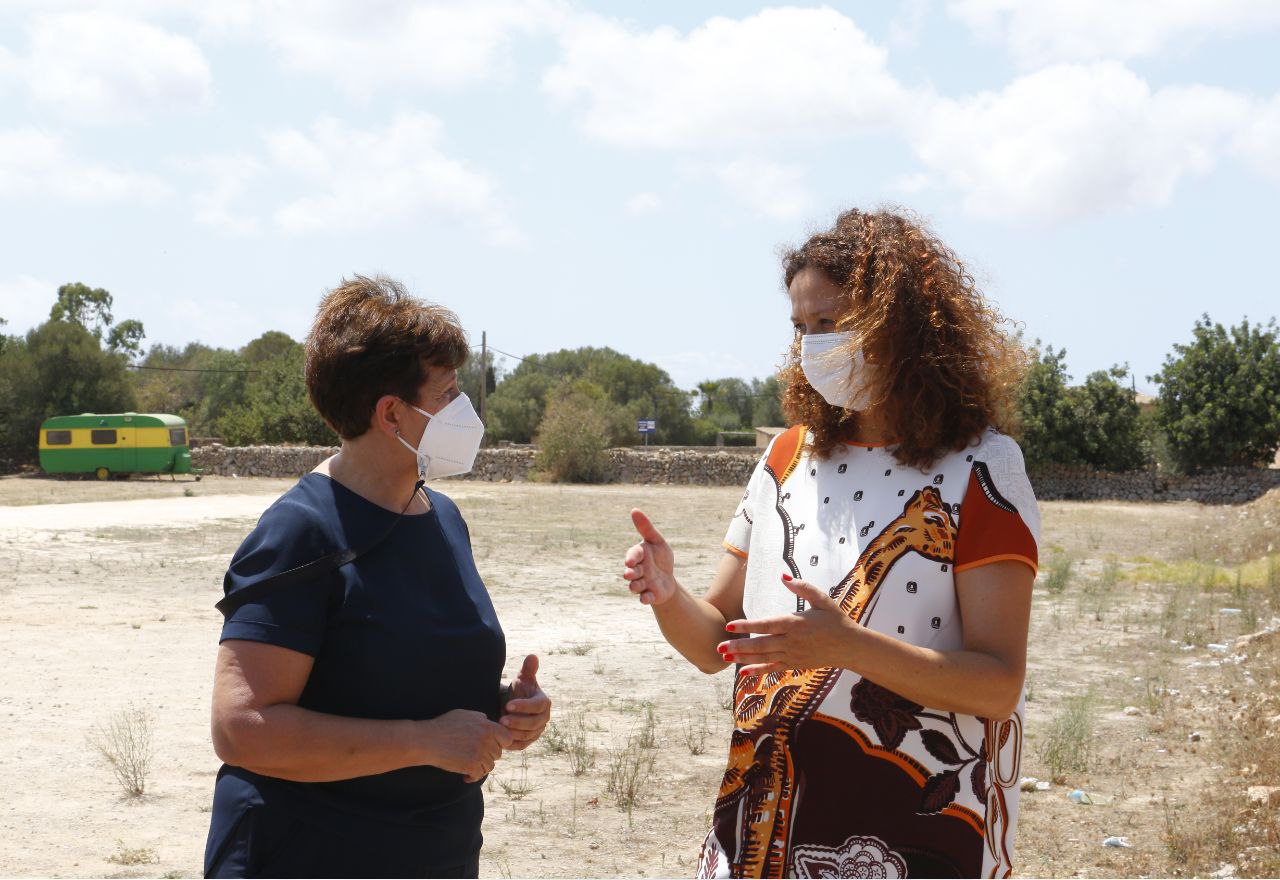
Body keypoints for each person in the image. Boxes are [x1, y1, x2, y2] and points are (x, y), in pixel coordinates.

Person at [623, 208, 1038, 878]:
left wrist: (847, 646)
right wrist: (668, 596)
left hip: (914, 835)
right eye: (801, 327)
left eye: (831, 323)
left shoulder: (983, 469)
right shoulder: (786, 457)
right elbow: (714, 644)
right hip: (760, 828)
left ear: (900, 327)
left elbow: (996, 684)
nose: (812, 345)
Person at [203, 275, 551, 879]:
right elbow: (242, 729)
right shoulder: (300, 531)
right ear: (391, 413)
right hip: (308, 855)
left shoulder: (440, 515)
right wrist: (424, 740)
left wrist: (502, 711)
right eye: (447, 394)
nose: (464, 411)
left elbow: (397, 679)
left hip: (433, 851)